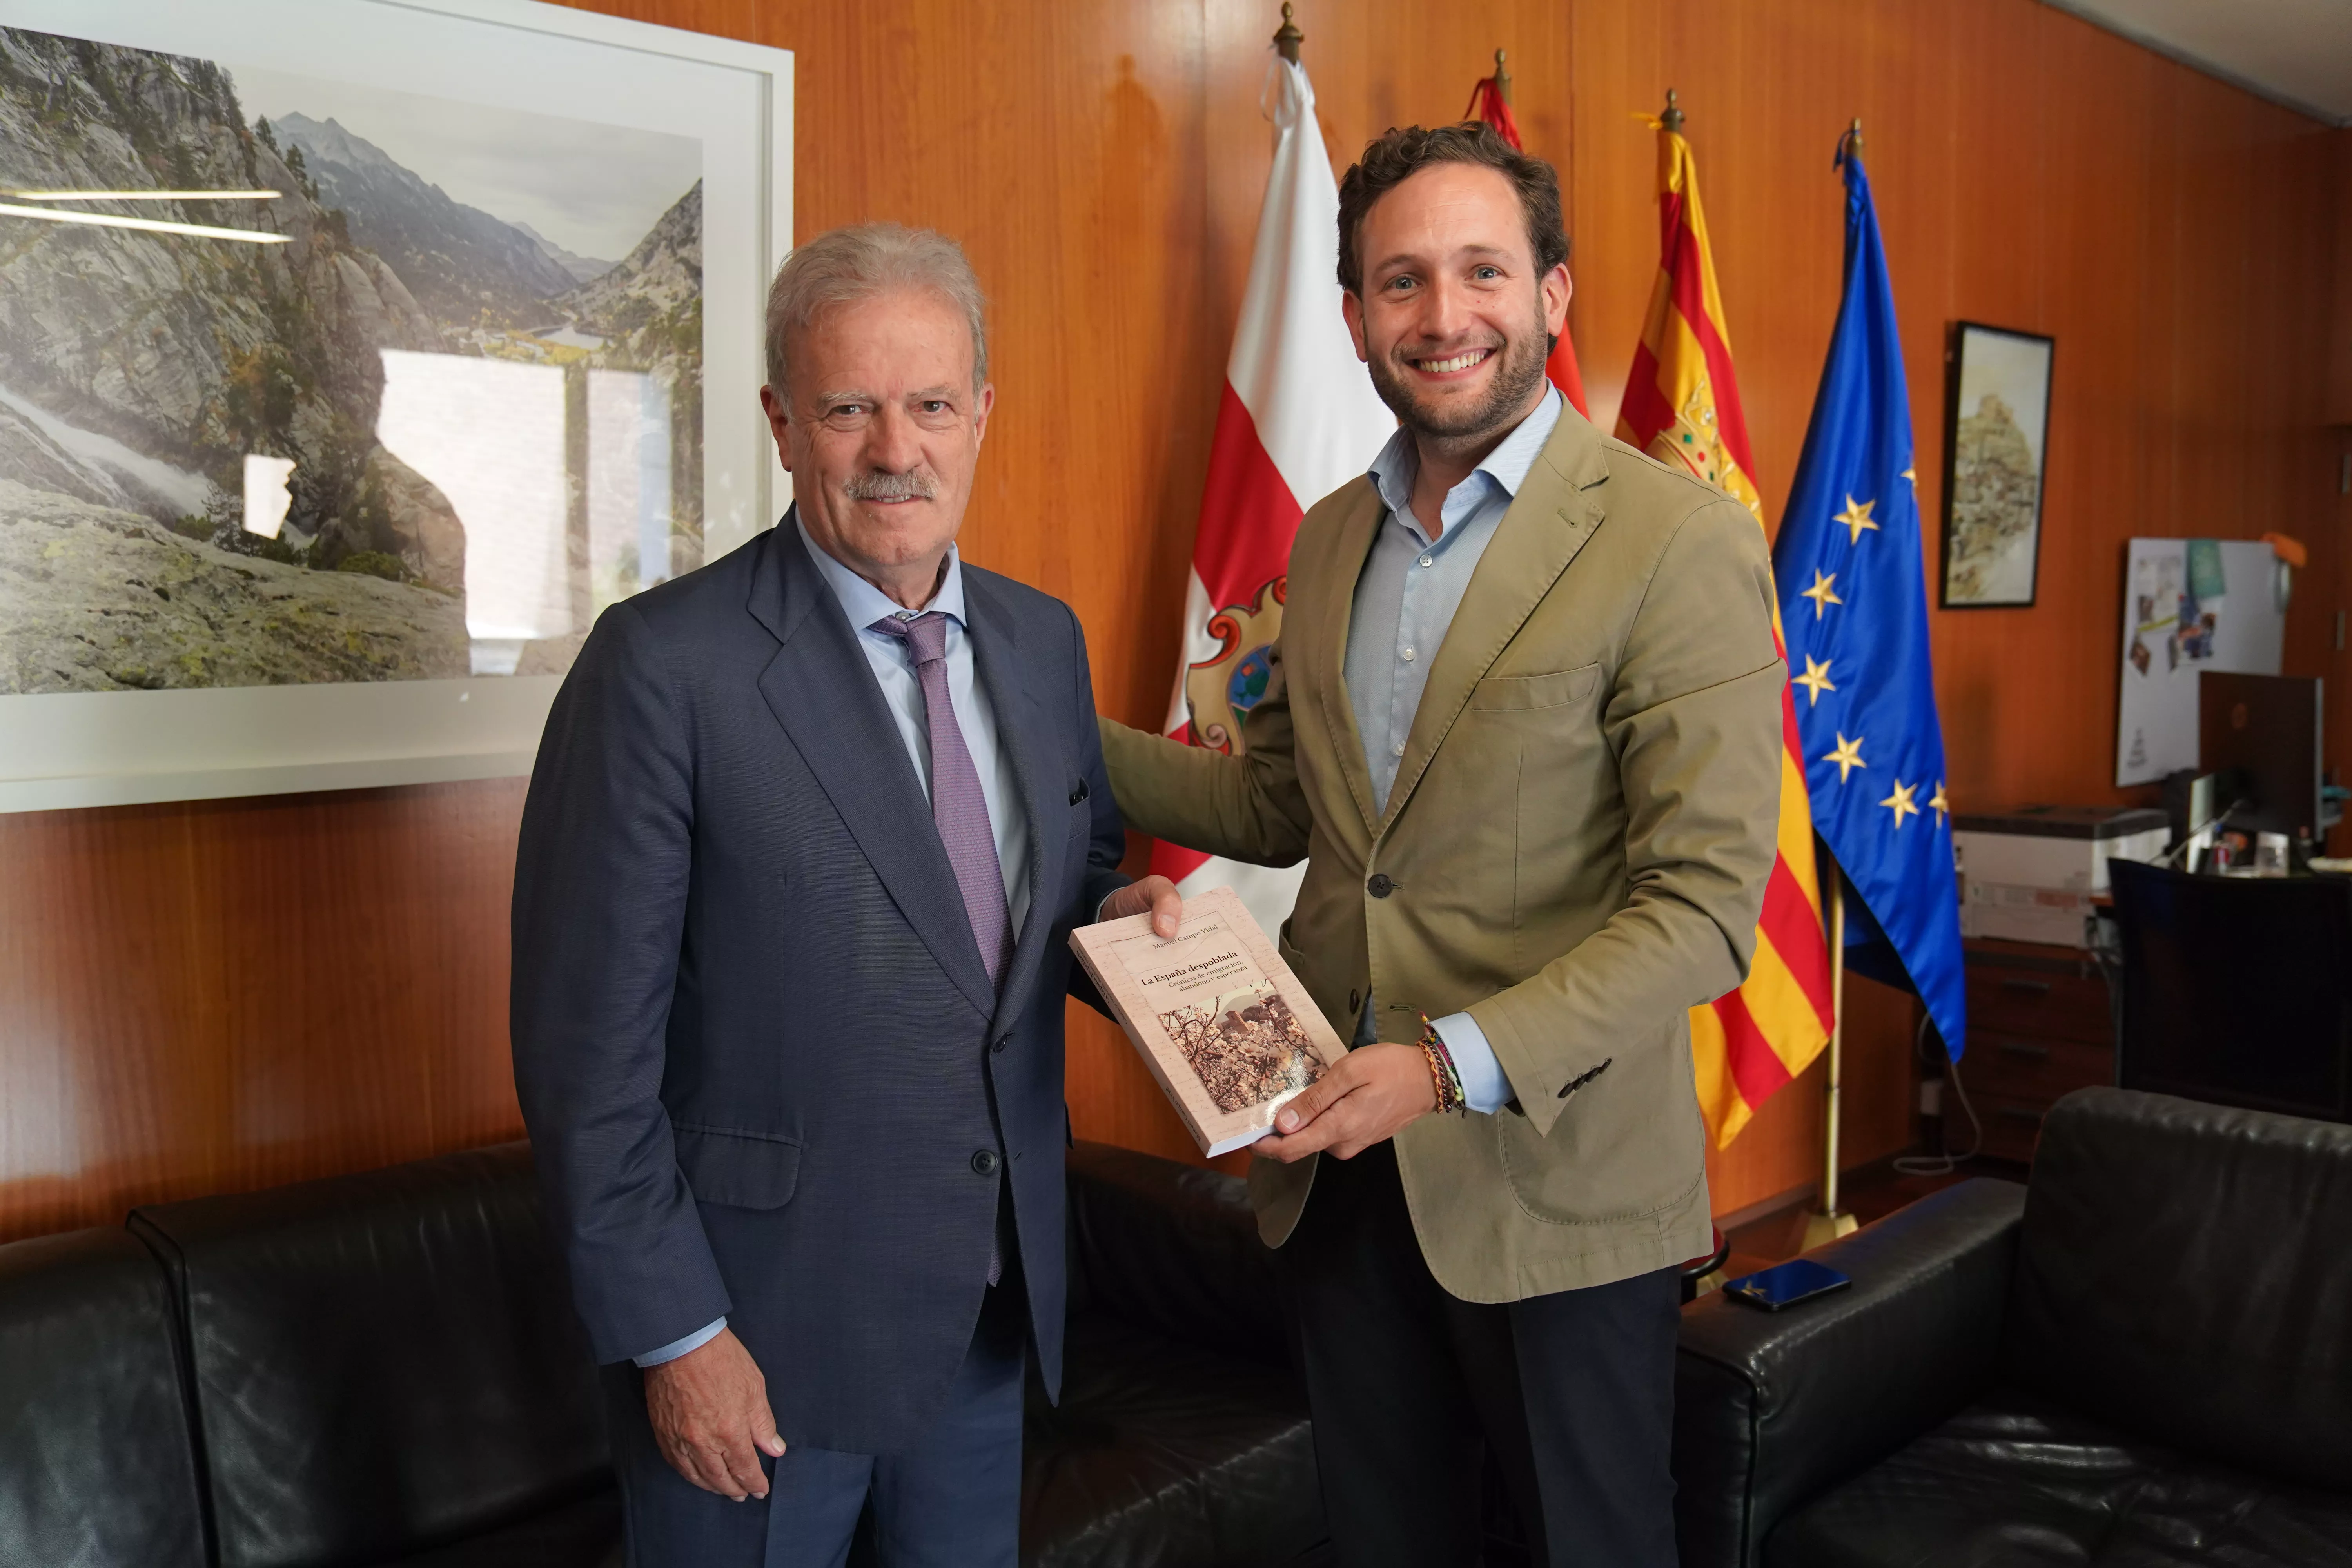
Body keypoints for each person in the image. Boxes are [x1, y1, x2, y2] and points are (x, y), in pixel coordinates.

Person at [1096, 123, 1786, 1566]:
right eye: (1400, 282)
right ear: (1354, 318)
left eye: (1482, 270)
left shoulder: (1676, 542)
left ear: (1554, 294)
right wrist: (1025, 715)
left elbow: (1708, 909)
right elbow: (1291, 810)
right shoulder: (1333, 538)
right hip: (1337, 1170)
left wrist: (1447, 1067)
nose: (1443, 314)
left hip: (1554, 1180)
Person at [512, 223, 1180, 1568]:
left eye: (932, 403)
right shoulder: (662, 667)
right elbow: (588, 1059)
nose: (897, 449)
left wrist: (1132, 936)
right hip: (759, 1346)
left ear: (982, 412)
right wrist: (680, 1337)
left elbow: (1054, 897)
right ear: (780, 422)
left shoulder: (1041, 639)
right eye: (849, 408)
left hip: (985, 1320)